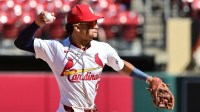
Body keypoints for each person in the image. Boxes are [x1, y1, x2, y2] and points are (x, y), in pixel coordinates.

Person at [14, 4, 155, 112]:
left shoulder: (103, 48)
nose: (96, 26)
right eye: (91, 23)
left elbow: (121, 66)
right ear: (77, 27)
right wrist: (36, 24)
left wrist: (149, 79)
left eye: (95, 22)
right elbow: (21, 43)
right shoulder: (56, 49)